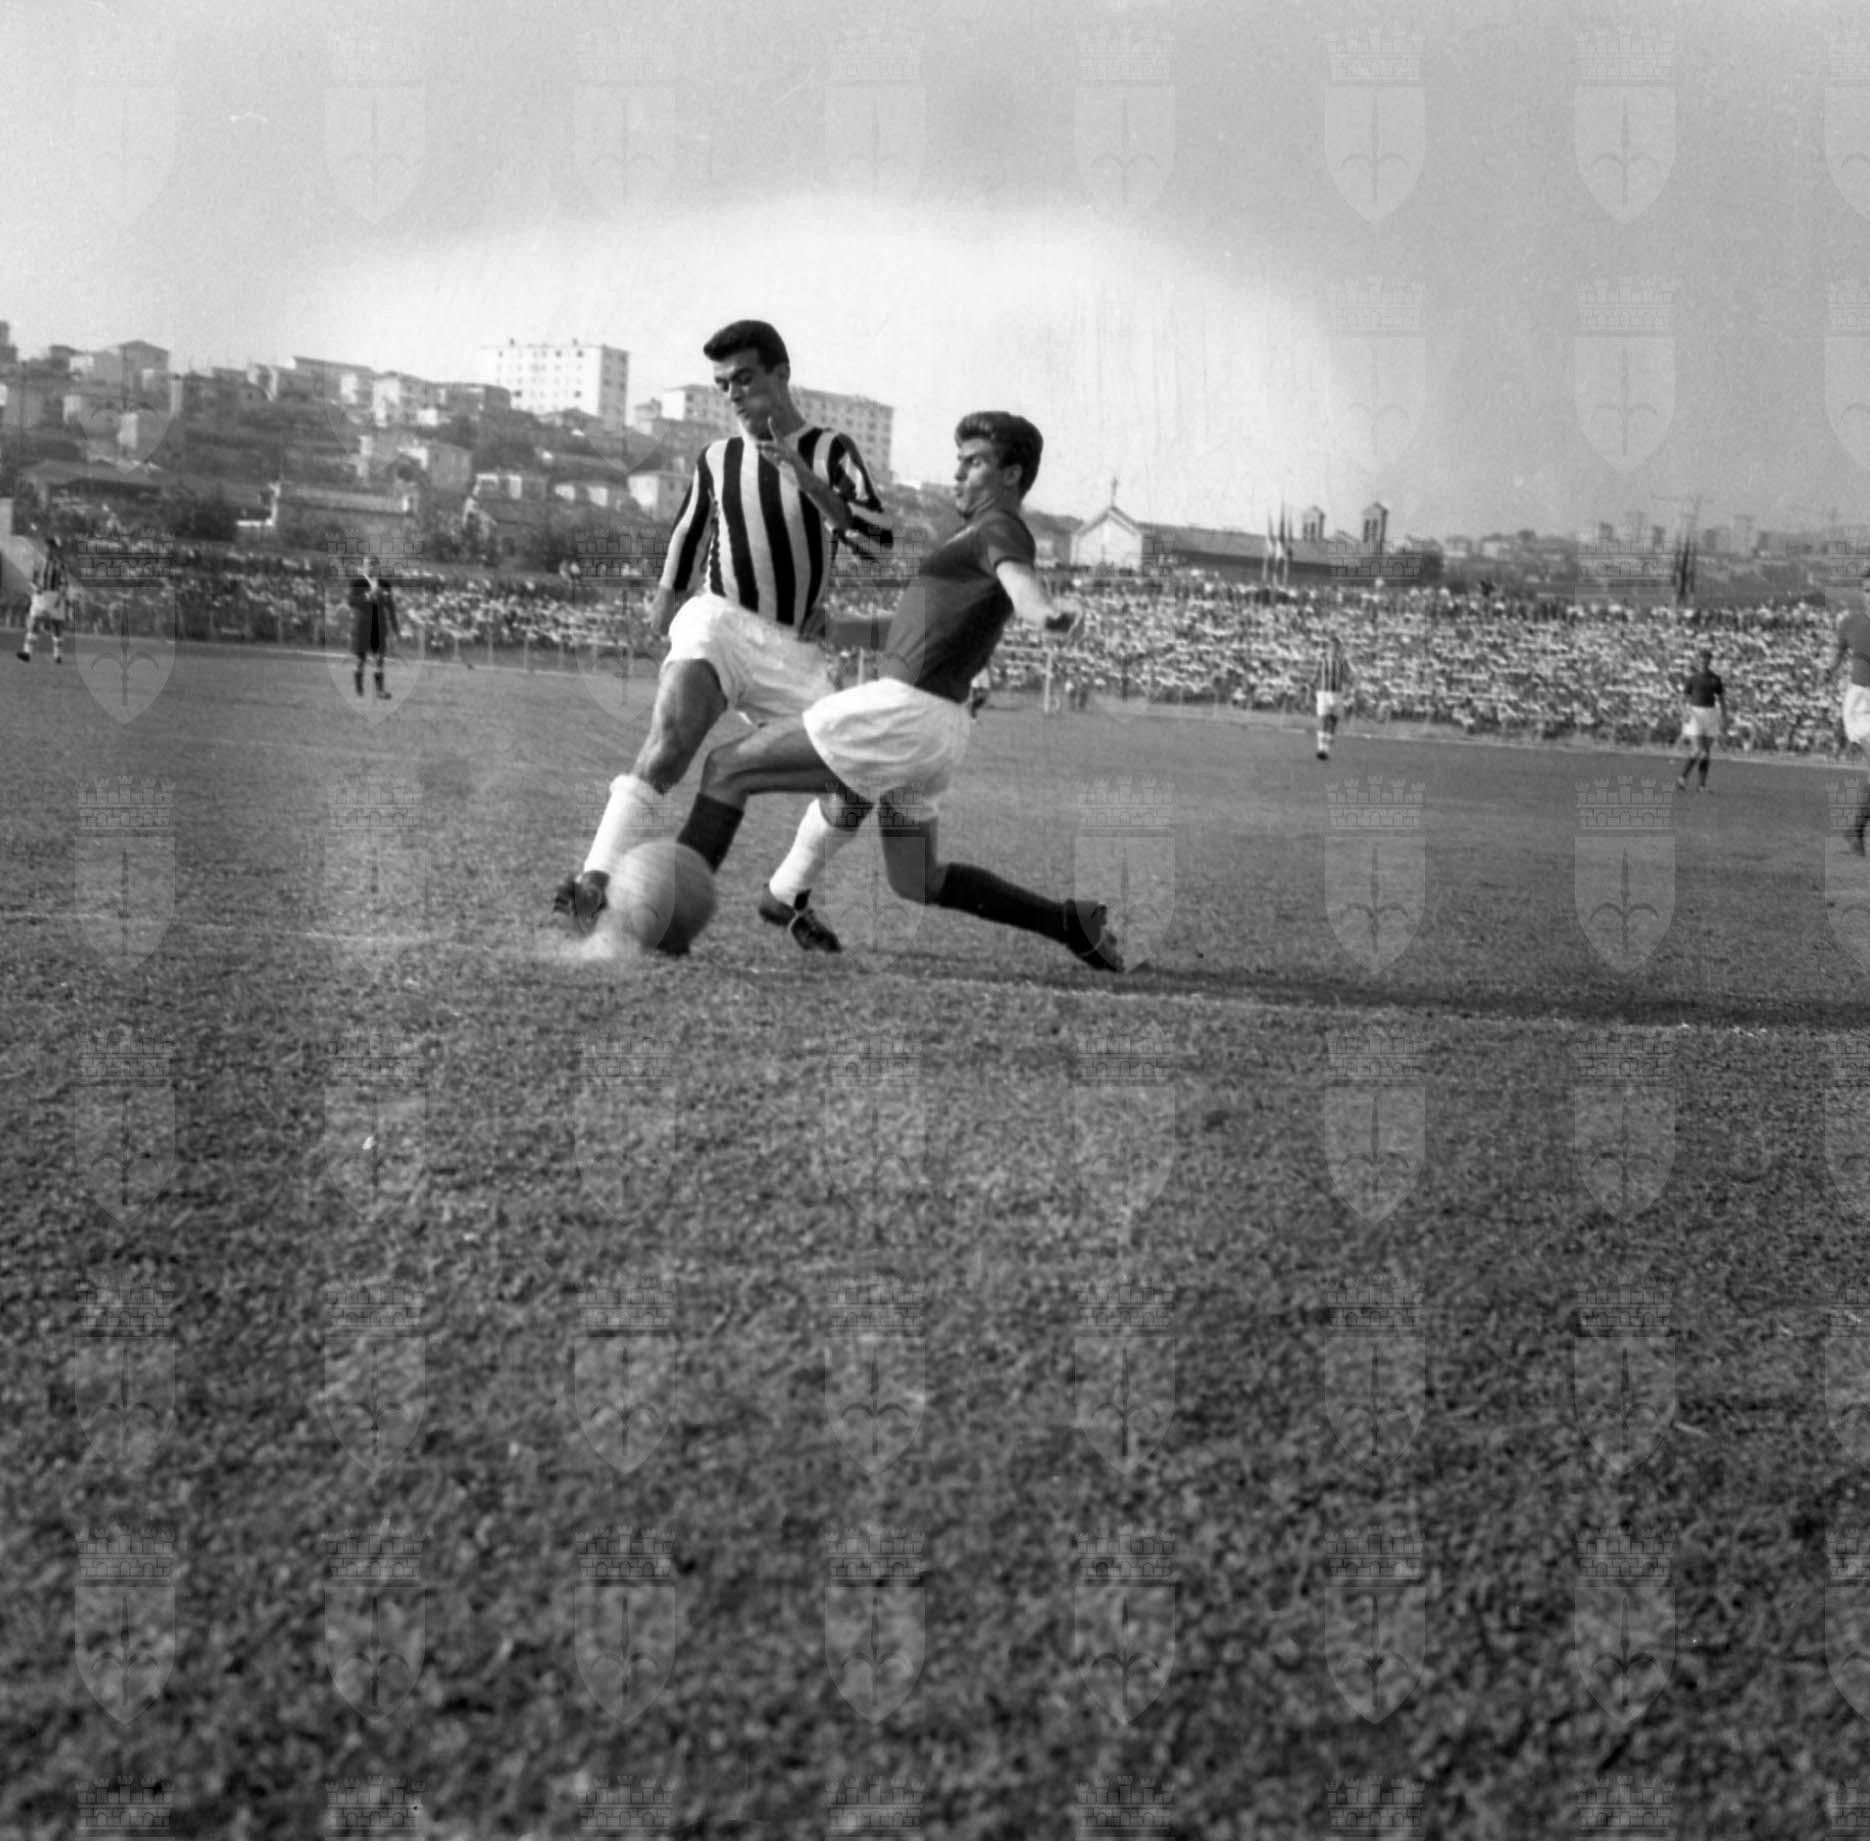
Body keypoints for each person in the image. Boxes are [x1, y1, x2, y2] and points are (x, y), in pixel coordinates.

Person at [665, 410, 1124, 972]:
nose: (958, 473)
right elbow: (914, 630)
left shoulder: (999, 529)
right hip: (937, 731)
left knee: (727, 769)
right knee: (916, 879)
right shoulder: (970, 540)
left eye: (975, 463)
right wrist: (839, 629)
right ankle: (1068, 922)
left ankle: (669, 923)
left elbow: (1022, 585)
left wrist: (1046, 612)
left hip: (906, 713)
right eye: (959, 461)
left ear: (1011, 475)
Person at [554, 320, 892, 940]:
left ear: (781, 375)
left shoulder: (831, 450)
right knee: (671, 742)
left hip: (795, 650)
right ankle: (592, 883)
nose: (733, 393)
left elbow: (876, 544)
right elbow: (689, 530)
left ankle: (785, 893)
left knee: (859, 776)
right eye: (722, 384)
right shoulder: (716, 457)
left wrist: (804, 477)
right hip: (720, 620)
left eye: (744, 378)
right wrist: (666, 599)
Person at [1829, 580, 1870, 851]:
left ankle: (1855, 830)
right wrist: (1829, 670)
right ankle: (1855, 830)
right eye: (1868, 589)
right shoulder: (1850, 623)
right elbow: (1839, 651)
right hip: (1860, 703)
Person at [1676, 645, 1726, 791]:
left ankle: (1701, 785)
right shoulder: (1692, 679)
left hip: (1711, 714)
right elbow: (1681, 699)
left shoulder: (1716, 679)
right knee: (1698, 750)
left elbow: (1722, 699)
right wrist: (1683, 712)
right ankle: (1682, 778)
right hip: (1695, 714)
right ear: (1698, 661)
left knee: (1706, 753)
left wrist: (1724, 716)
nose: (1703, 661)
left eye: (1706, 659)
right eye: (1701, 659)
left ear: (1710, 661)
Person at [348, 566, 398, 699]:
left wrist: (395, 627)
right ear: (364, 567)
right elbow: (351, 601)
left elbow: (391, 607)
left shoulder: (385, 584)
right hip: (362, 627)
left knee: (379, 659)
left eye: (374, 564)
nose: (371, 568)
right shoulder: (357, 582)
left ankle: (380, 691)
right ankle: (359, 688)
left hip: (379, 627)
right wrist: (368, 595)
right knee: (360, 660)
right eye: (368, 564)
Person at [18, 536, 68, 665]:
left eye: (51, 548)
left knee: (57, 627)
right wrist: (36, 588)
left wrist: (60, 598)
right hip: (40, 596)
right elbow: (31, 580)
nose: (48, 550)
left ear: (55, 550)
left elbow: (64, 583)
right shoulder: (38, 563)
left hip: (55, 595)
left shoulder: (60, 564)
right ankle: (26, 653)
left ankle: (57, 655)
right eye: (46, 548)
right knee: (34, 622)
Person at [1314, 633, 1353, 759]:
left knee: (1333, 721)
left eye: (1336, 647)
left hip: (1337, 694)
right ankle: (1320, 748)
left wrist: (1348, 691)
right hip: (1323, 693)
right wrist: (1310, 689)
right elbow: (1315, 676)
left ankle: (1327, 750)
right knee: (1323, 719)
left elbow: (1347, 678)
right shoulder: (1321, 661)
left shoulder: (1342, 662)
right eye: (1332, 646)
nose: (1334, 649)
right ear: (1328, 647)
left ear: (1339, 648)